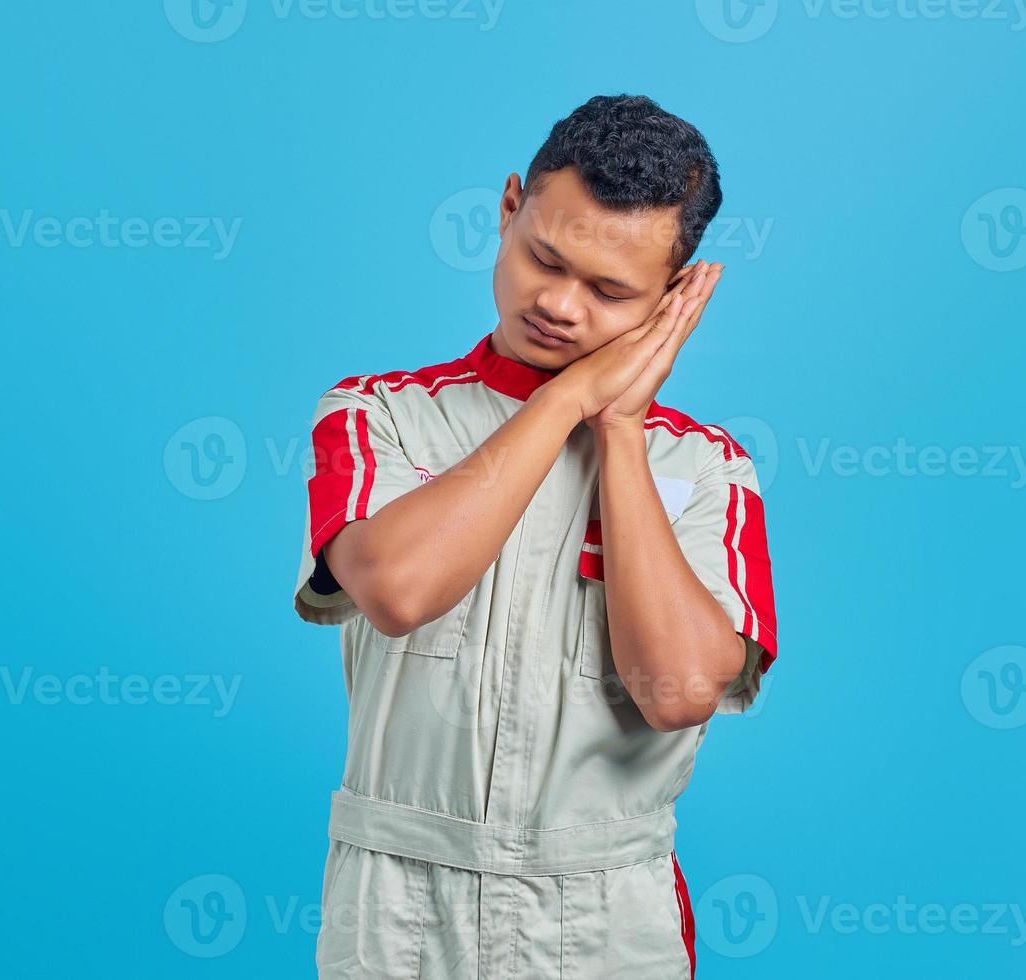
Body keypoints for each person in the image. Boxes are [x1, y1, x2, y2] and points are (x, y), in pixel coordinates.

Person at [293, 93, 777, 979]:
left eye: (609, 290)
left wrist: (620, 430)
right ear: (509, 207)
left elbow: (676, 693)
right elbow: (398, 593)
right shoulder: (379, 416)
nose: (557, 304)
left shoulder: (708, 469)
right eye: (542, 258)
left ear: (674, 295)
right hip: (398, 909)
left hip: (603, 919)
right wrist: (563, 401)